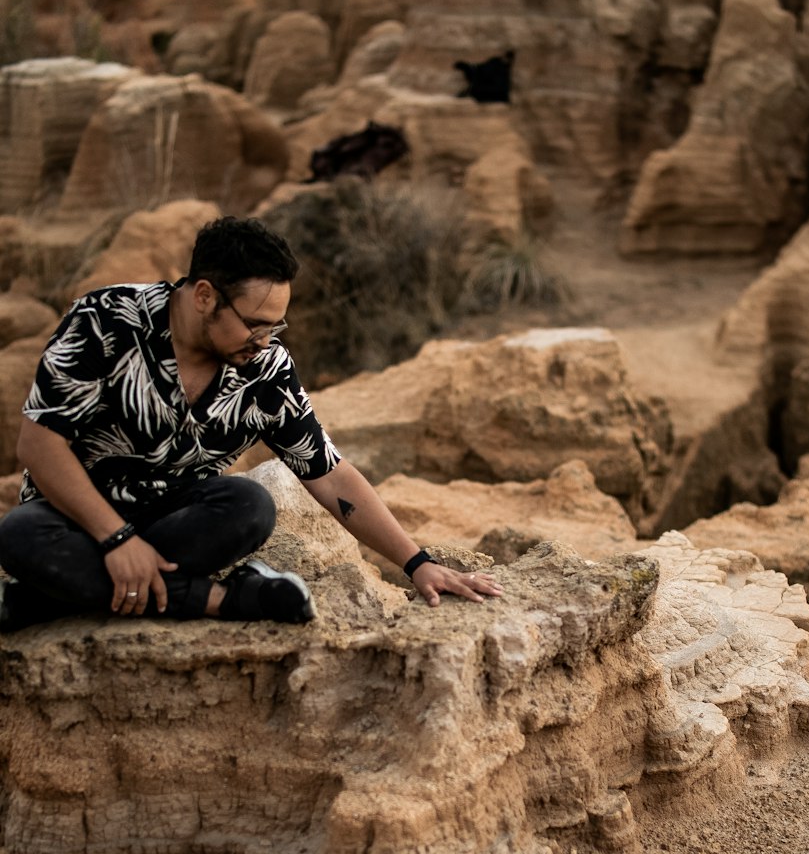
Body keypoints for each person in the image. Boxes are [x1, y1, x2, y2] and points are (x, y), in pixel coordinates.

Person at [0, 216, 502, 631]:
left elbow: (329, 474)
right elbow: (40, 447)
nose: (264, 340)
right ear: (204, 296)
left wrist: (417, 564)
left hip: (173, 524)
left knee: (248, 506)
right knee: (19, 534)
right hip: (77, 519)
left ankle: (46, 600)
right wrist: (117, 541)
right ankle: (225, 599)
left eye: (275, 325)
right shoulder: (104, 321)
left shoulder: (265, 369)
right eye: (254, 323)